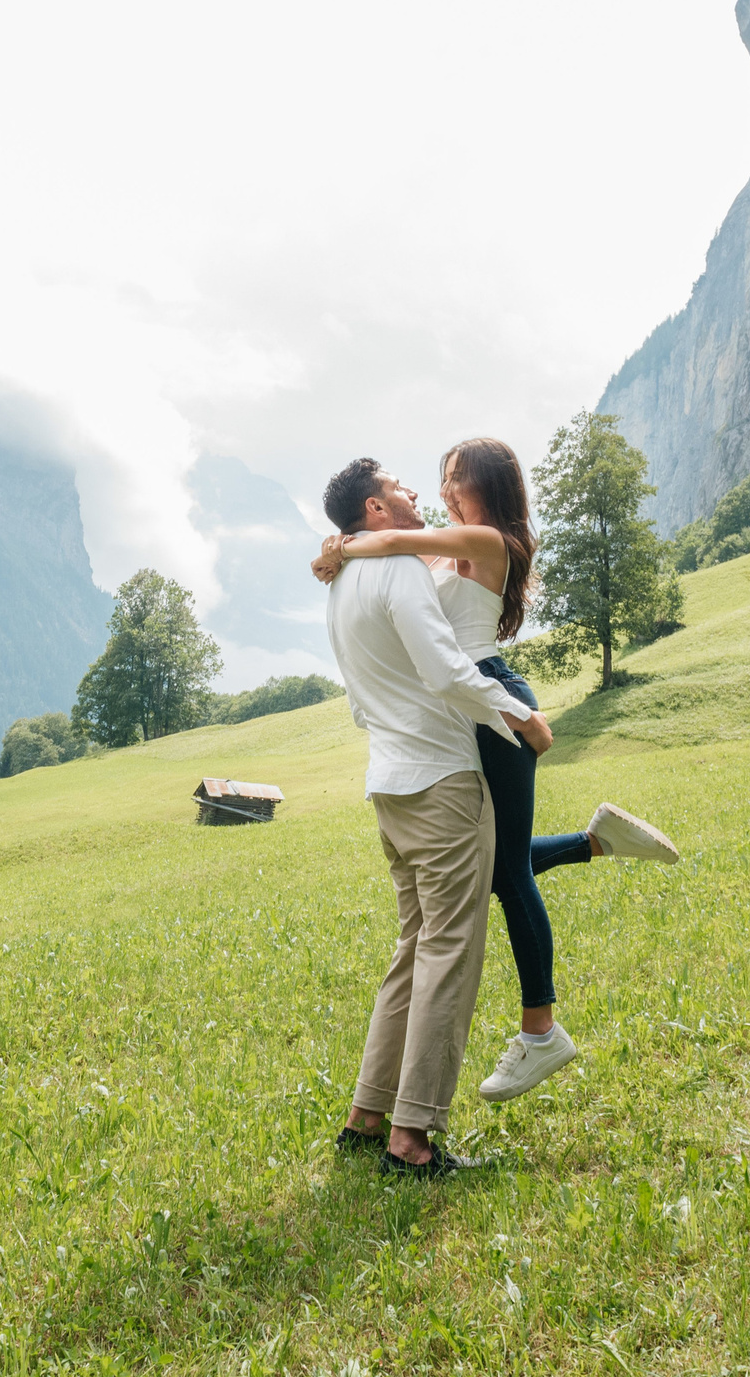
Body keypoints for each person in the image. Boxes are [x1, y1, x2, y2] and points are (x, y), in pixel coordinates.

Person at [314, 437, 678, 1106]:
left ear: (485, 485)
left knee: (502, 872)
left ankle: (540, 1028)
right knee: (489, 865)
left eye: (455, 480)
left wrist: (342, 545)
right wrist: (347, 546)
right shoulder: (442, 544)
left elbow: (386, 548)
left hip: (494, 700)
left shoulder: (489, 541)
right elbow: (393, 562)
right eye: (442, 480)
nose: (444, 491)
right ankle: (594, 842)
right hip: (470, 708)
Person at [320, 456, 553, 1177]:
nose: (417, 489)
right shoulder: (398, 569)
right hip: (439, 780)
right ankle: (412, 1138)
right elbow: (449, 672)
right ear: (376, 509)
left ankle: (368, 1113)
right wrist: (524, 717)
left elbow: (362, 698)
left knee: (413, 947)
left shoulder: (342, 583)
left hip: (388, 781)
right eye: (400, 485)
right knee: (449, 951)